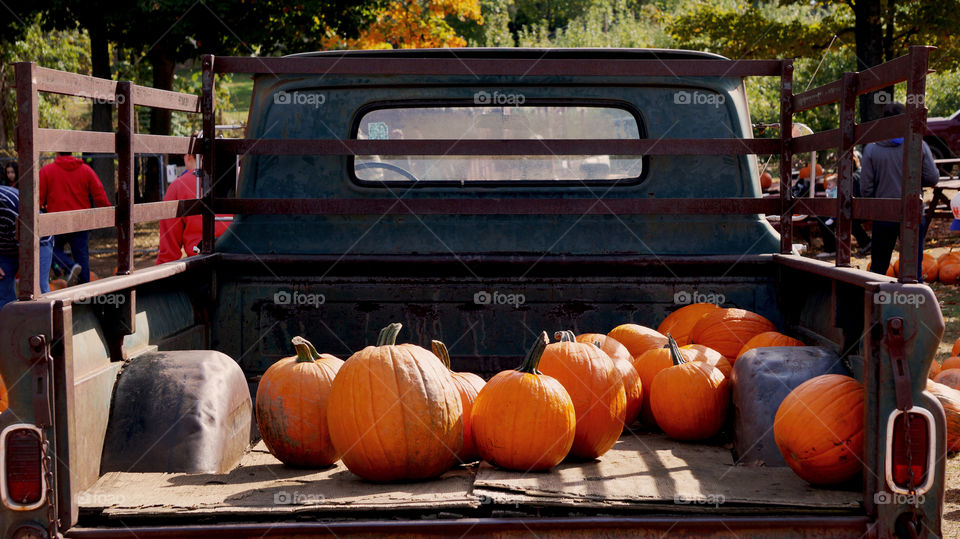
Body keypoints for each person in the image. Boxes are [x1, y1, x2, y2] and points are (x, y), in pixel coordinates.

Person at [860, 102, 940, 280]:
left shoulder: (871, 149)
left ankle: (876, 303)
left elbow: (866, 188)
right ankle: (913, 302)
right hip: (912, 210)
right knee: (912, 265)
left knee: (879, 266)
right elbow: (933, 178)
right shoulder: (918, 144)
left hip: (883, 213)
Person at [39, 152, 111, 284]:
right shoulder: (86, 170)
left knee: (50, 248)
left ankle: (68, 267)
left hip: (57, 221)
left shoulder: (47, 171)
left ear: (57, 152)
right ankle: (84, 293)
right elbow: (99, 194)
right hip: (81, 221)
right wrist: (108, 211)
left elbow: (38, 198)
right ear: (72, 152)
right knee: (82, 255)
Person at [156, 152, 230, 264]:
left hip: (201, 261)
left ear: (188, 156)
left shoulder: (178, 186)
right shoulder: (244, 177)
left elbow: (169, 250)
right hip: (247, 256)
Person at [0, 184, 53, 309]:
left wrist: (24, 271)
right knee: (2, 290)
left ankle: (44, 325)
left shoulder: (9, 205)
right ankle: (10, 325)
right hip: (5, 245)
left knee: (36, 287)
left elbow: (27, 246)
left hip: (36, 240)